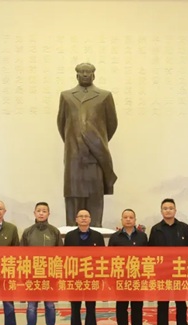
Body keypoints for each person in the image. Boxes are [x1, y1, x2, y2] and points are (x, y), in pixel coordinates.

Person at [57, 62, 118, 227]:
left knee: (95, 193)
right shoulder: (66, 96)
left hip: (96, 154)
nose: (85, 75)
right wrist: (74, 141)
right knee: (73, 194)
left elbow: (112, 124)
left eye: (88, 72)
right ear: (76, 75)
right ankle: (72, 229)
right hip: (73, 155)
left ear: (94, 75)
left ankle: (96, 228)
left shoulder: (104, 96)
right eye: (82, 72)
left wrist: (97, 140)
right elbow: (62, 124)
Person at [148, 198, 188, 325]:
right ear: (161, 211)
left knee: (181, 303)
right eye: (165, 208)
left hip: (180, 272)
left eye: (170, 208)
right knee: (163, 303)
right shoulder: (156, 229)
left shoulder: (184, 228)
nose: (168, 210)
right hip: (162, 273)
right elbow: (151, 252)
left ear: (175, 210)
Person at [21, 202, 62, 325]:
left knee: (49, 306)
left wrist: (56, 275)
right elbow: (22, 255)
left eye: (44, 211)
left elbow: (60, 255)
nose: (41, 213)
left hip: (49, 276)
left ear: (48, 214)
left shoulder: (54, 231)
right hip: (32, 276)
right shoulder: (28, 232)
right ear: (34, 213)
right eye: (39, 210)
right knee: (31, 307)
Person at [64, 209, 105, 325]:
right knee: (75, 307)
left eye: (86, 216)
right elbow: (65, 258)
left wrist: (100, 276)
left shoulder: (98, 237)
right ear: (76, 219)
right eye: (80, 216)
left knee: (91, 306)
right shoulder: (70, 236)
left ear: (90, 219)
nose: (83, 218)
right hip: (75, 277)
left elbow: (102, 257)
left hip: (92, 277)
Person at [109, 209, 148, 325]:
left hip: (138, 277)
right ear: (122, 220)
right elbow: (110, 259)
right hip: (121, 278)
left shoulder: (142, 237)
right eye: (125, 217)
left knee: (137, 306)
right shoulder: (115, 237)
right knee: (121, 306)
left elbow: (147, 257)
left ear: (135, 220)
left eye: (131, 217)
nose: (128, 219)